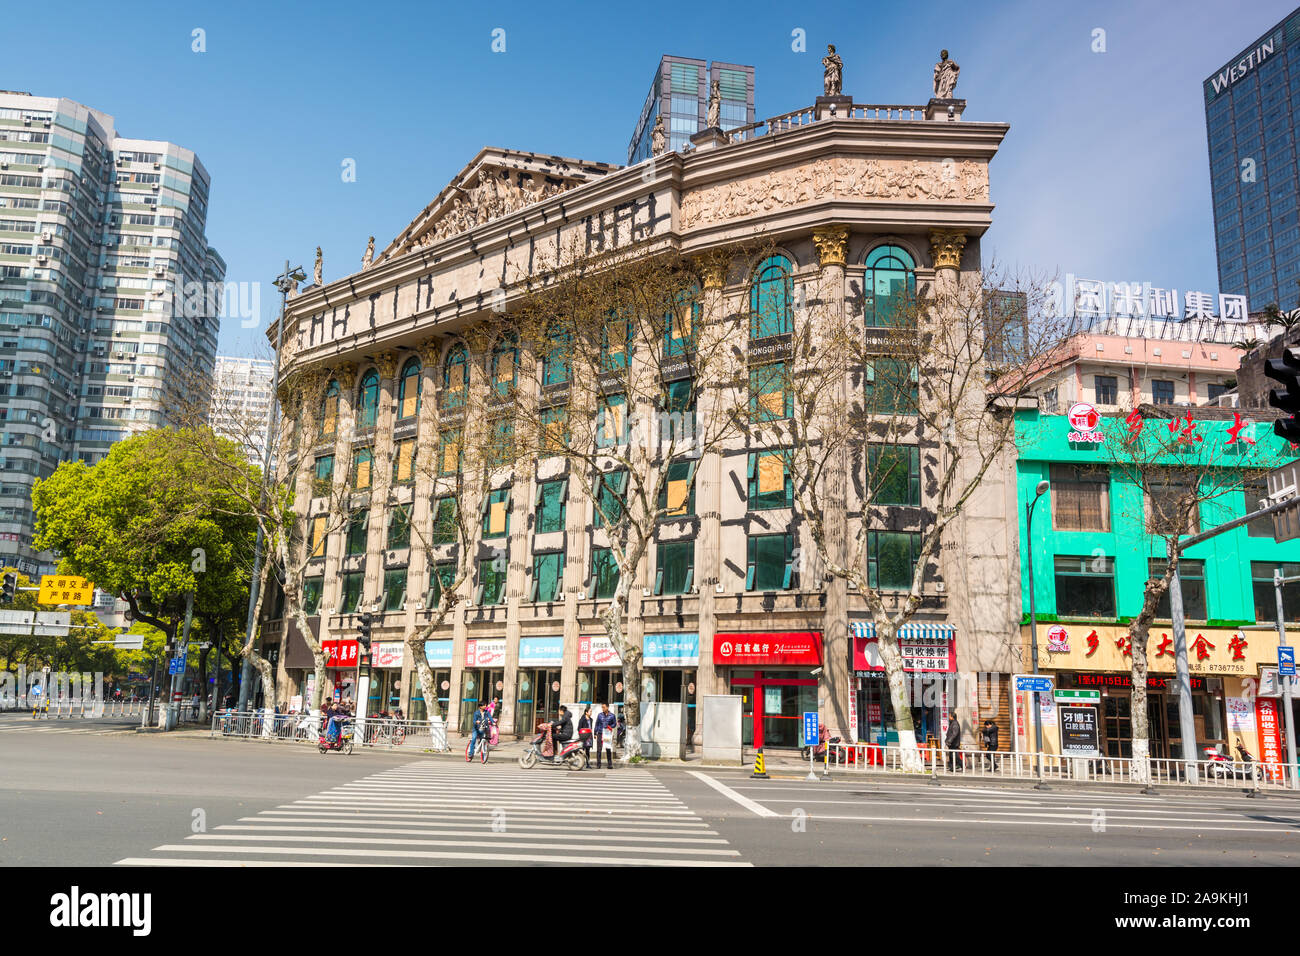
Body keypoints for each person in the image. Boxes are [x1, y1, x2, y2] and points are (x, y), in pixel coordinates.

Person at [594, 702, 617, 769]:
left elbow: (615, 724)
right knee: (599, 749)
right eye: (602, 707)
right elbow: (597, 724)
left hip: (607, 734)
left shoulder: (612, 715)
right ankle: (598, 764)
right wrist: (595, 733)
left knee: (608, 748)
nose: (602, 709)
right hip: (600, 733)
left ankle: (609, 764)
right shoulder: (599, 715)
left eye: (604, 707)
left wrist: (610, 726)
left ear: (607, 707)